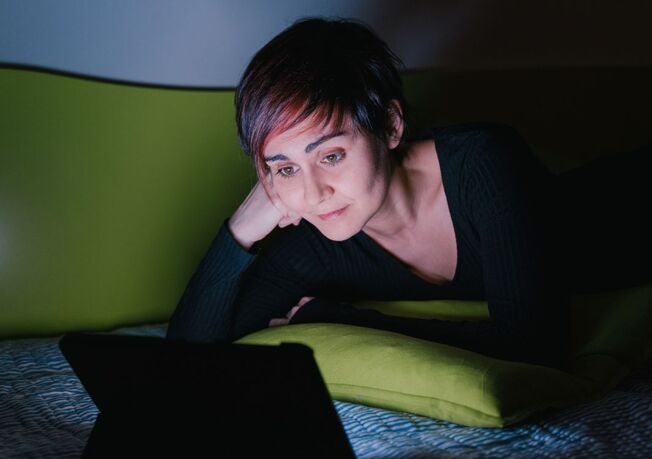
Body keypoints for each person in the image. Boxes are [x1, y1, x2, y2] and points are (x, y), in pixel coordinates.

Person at [166, 17, 569, 368]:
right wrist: (239, 231)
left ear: (390, 125)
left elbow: (534, 346)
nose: (313, 193)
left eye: (331, 155)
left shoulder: (483, 164)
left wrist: (344, 321)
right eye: (286, 168)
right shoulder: (314, 242)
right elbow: (189, 355)